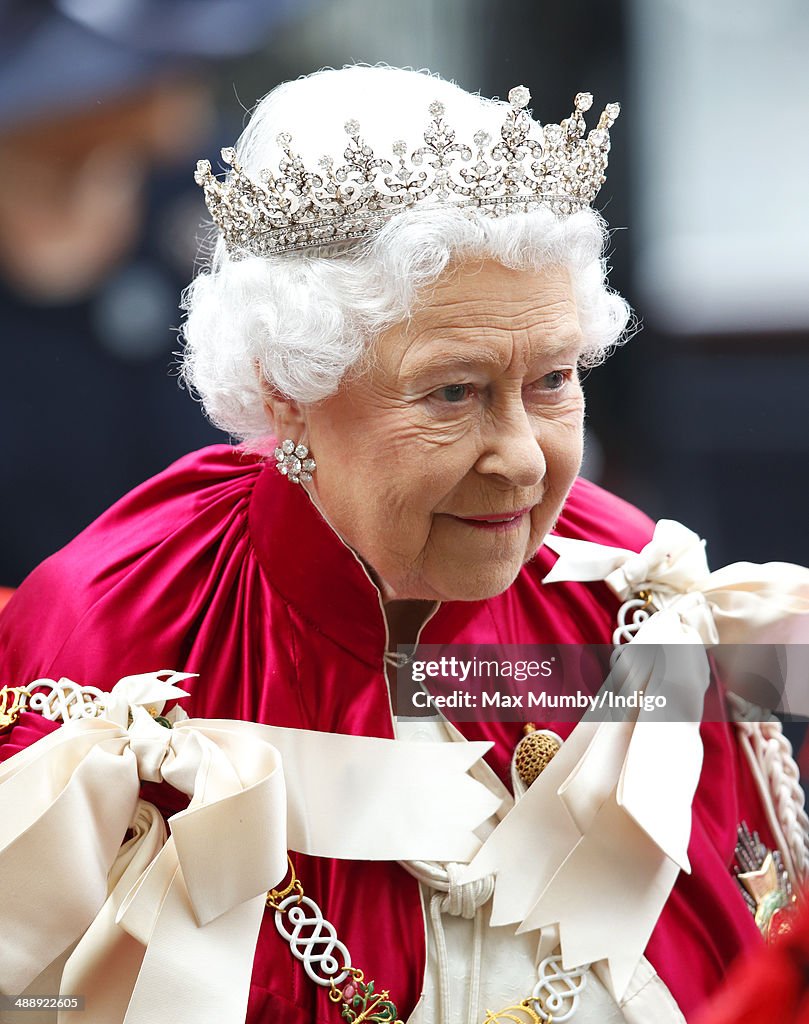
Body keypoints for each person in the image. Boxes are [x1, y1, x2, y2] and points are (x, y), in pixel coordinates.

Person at [0, 66, 807, 1024]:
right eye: (452, 392)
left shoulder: (631, 597)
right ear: (286, 384)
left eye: (551, 381)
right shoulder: (120, 623)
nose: (521, 459)